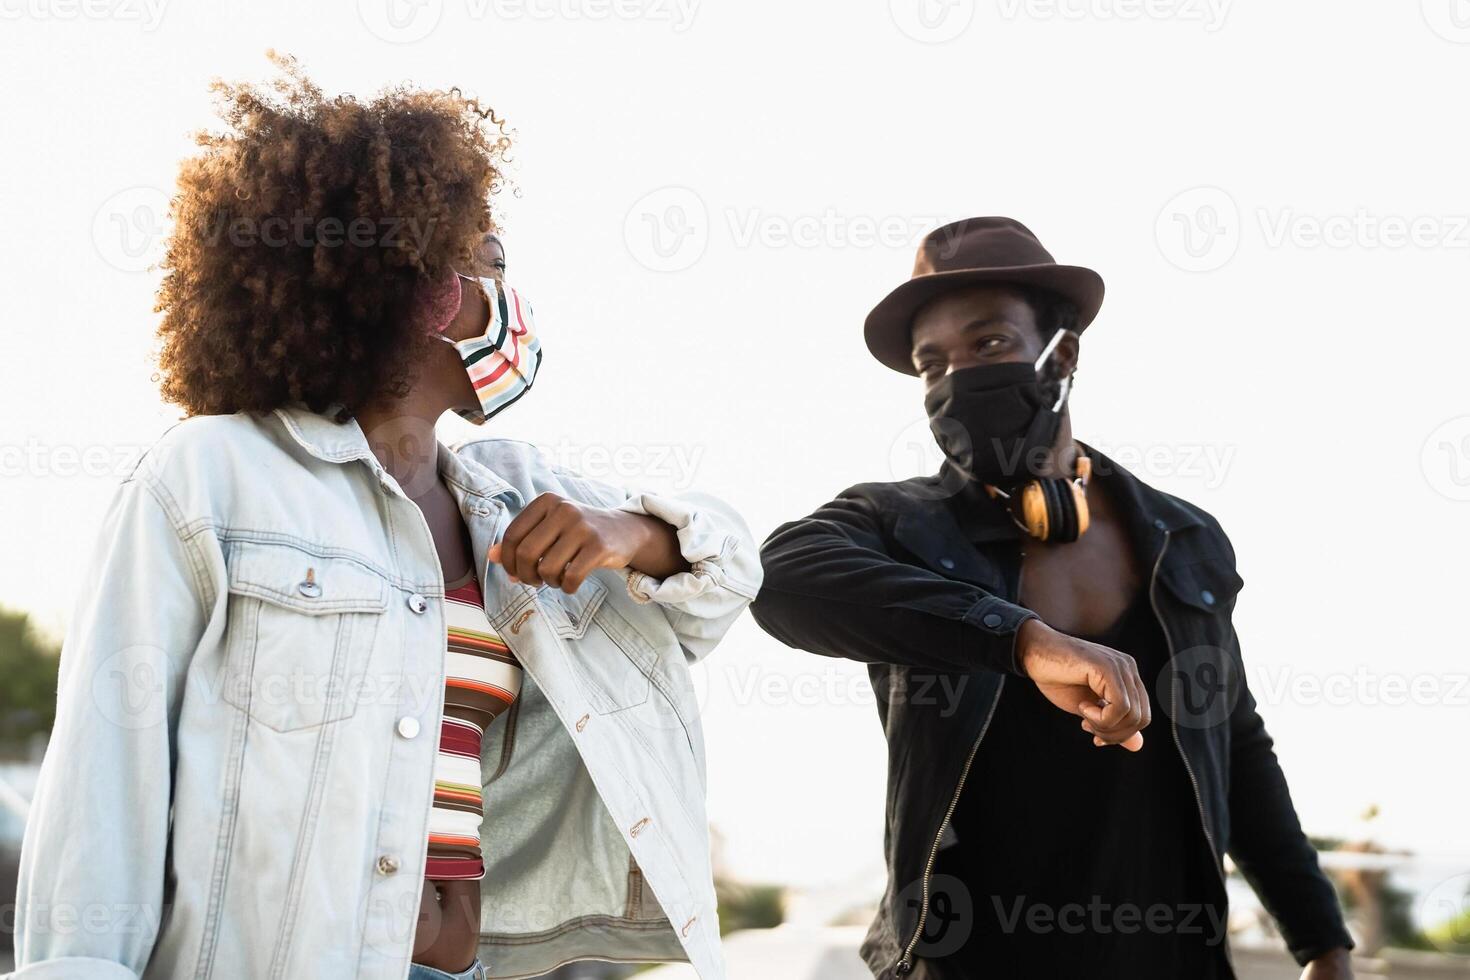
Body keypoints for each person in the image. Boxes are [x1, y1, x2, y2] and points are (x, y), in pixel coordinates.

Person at [11, 56, 759, 980]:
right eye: (492, 261)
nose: (511, 299)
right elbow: (104, 777)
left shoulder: (510, 493)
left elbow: (727, 583)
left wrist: (635, 535)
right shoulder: (209, 474)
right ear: (430, 289)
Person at [751, 217, 1354, 979]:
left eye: (989, 344)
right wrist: (1023, 640)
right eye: (931, 363)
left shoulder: (1183, 536)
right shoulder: (899, 524)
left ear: (1062, 354)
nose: (955, 379)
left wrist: (1322, 943)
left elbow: (1234, 744)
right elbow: (779, 578)